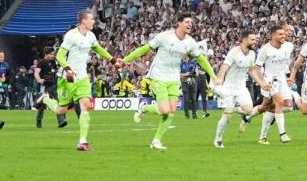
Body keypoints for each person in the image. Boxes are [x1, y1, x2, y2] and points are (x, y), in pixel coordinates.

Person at [124, 12, 216, 150]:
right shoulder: (164, 37)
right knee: (164, 110)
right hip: (158, 76)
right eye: (187, 22)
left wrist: (213, 75)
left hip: (174, 78)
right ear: (179, 23)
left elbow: (201, 59)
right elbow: (144, 49)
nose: (190, 24)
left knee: (171, 110)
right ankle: (144, 108)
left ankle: (156, 141)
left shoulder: (190, 42)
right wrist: (125, 60)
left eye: (191, 22)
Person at [35, 10, 121, 151]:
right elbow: (60, 56)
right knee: (60, 110)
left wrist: (113, 61)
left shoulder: (91, 36)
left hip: (82, 77)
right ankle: (45, 99)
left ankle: (82, 141)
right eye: (91, 19)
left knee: (85, 105)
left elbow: (98, 49)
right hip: (67, 78)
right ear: (83, 21)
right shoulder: (71, 36)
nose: (94, 21)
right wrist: (68, 69)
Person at [212, 30, 271, 148]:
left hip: (241, 87)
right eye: (252, 39)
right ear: (244, 40)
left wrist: (261, 83)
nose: (255, 41)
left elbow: (251, 70)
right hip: (229, 87)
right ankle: (218, 140)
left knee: (249, 111)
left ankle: (233, 109)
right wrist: (220, 78)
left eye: (255, 39)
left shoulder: (252, 54)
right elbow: (225, 66)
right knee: (227, 117)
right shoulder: (234, 52)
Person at [255, 22, 295, 144]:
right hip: (270, 80)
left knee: (287, 106)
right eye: (280, 34)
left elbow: (286, 63)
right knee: (279, 102)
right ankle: (282, 134)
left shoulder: (289, 46)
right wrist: (262, 82)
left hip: (282, 79)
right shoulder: (265, 50)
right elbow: (257, 67)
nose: (284, 36)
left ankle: (248, 117)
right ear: (273, 36)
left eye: (284, 34)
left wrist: (288, 76)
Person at [33, 49, 66, 129]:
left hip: (55, 85)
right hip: (47, 86)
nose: (53, 55)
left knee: (60, 102)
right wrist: (39, 80)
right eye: (51, 54)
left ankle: (61, 121)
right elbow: (36, 72)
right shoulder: (42, 62)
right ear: (46, 54)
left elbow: (55, 72)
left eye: (53, 54)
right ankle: (39, 120)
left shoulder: (53, 62)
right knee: (42, 105)